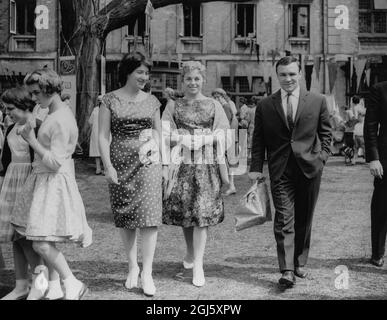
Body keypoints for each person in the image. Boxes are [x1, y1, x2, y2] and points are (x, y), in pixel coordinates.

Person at [249, 56, 332, 288]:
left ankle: (299, 262)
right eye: (283, 74)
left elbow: (326, 135)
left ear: (300, 75)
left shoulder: (317, 101)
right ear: (277, 76)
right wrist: (256, 168)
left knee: (304, 218)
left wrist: (321, 159)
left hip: (310, 168)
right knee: (284, 218)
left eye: (292, 74)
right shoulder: (265, 105)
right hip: (281, 170)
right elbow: (259, 141)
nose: (288, 79)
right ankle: (286, 270)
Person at [11, 68, 92, 300]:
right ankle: (58, 285)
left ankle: (71, 281)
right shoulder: (52, 113)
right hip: (44, 181)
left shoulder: (61, 119)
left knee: (41, 243)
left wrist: (32, 140)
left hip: (53, 183)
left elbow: (56, 162)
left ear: (50, 89)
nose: (34, 98)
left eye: (36, 93)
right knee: (39, 240)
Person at [99, 52, 162, 297]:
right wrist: (108, 166)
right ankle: (132, 266)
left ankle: (147, 271)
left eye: (146, 73)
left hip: (149, 163)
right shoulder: (109, 100)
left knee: (149, 216)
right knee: (126, 215)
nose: (144, 77)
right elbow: (103, 136)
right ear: (127, 72)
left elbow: (158, 133)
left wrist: (164, 165)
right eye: (140, 72)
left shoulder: (153, 101)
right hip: (120, 162)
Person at [162, 61, 230, 287]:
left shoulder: (213, 105)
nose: (193, 82)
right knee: (186, 213)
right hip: (181, 164)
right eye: (189, 79)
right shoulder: (174, 106)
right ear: (183, 80)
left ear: (203, 80)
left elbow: (224, 131)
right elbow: (164, 132)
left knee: (202, 214)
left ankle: (199, 262)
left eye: (197, 79)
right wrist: (182, 138)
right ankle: (190, 252)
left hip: (206, 164)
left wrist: (206, 138)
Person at [0, 87, 47, 300]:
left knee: (27, 238)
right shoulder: (11, 128)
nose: (8, 113)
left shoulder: (35, 127)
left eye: (11, 109)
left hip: (30, 182)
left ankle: (40, 284)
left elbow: (41, 158)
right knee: (15, 238)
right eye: (5, 110)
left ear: (24, 105)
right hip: (12, 184)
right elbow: (6, 161)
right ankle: (21, 285)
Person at [364, 81, 387, 268]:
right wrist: (374, 158)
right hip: (385, 161)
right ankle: (377, 252)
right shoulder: (380, 89)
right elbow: (370, 126)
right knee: (381, 207)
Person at [212, 89, 239, 196]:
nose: (216, 99)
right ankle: (227, 185)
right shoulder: (224, 106)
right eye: (215, 97)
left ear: (222, 96)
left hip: (227, 137)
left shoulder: (225, 107)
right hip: (226, 137)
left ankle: (231, 185)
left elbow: (224, 124)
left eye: (217, 96)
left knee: (227, 161)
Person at [89, 96, 103, 175]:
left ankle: (98, 168)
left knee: (97, 150)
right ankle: (100, 168)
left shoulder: (95, 110)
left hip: (97, 132)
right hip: (103, 132)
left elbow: (90, 122)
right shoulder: (106, 110)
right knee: (102, 150)